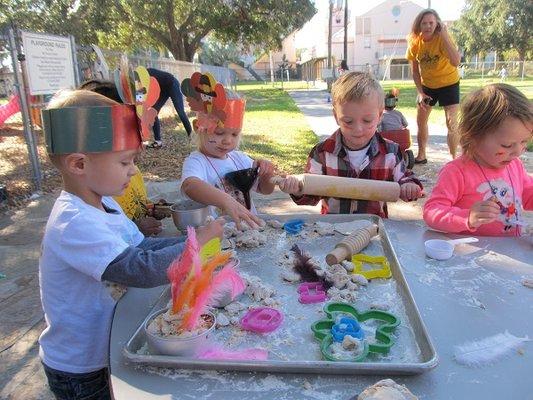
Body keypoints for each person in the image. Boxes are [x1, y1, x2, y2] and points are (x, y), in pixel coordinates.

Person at [38, 89, 223, 400]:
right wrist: (197, 242)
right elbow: (138, 269)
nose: (134, 170)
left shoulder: (105, 204)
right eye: (125, 162)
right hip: (81, 368)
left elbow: (142, 248)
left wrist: (193, 237)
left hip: (105, 346)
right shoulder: (73, 222)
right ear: (79, 165)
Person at [279, 72, 423, 217]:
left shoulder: (390, 152)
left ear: (379, 116)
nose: (358, 129)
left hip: (372, 228)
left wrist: (409, 187)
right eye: (348, 121)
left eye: (367, 121)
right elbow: (310, 196)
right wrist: (298, 189)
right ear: (336, 117)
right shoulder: (322, 153)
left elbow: (405, 178)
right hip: (332, 228)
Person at [423, 84, 532, 236]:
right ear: (473, 137)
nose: (517, 152)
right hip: (472, 254)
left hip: (509, 251)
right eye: (507, 145)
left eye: (524, 142)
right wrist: (468, 217)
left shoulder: (515, 166)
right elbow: (432, 211)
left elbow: (527, 195)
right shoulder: (457, 172)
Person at [180, 72, 275, 230]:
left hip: (250, 229)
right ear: (200, 129)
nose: (227, 140)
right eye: (219, 133)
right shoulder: (197, 161)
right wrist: (226, 200)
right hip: (218, 235)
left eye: (234, 134)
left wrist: (267, 174)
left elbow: (265, 190)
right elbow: (190, 186)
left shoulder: (239, 159)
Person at [79, 79, 164, 236]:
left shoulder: (132, 173)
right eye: (124, 161)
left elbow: (138, 205)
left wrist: (153, 209)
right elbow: (107, 238)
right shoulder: (96, 198)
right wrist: (135, 228)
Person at [406, 9, 461, 164]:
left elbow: (456, 62)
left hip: (449, 83)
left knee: (452, 123)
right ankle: (422, 154)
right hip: (428, 86)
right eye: (424, 23)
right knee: (421, 120)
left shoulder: (443, 38)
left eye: (431, 22)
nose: (428, 26)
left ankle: (454, 159)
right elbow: (415, 70)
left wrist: (444, 34)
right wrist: (420, 92)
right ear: (419, 25)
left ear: (437, 23)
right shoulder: (415, 42)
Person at [146, 68, 192, 148]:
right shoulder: (140, 80)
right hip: (163, 89)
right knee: (153, 112)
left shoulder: (146, 75)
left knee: (180, 112)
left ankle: (193, 138)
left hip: (172, 84)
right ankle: (158, 142)